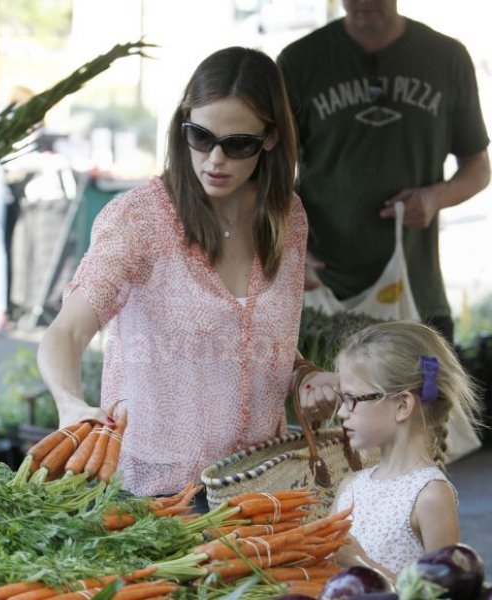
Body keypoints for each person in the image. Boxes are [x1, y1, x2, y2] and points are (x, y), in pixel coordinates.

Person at [36, 46, 336, 504]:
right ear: (183, 126)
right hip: (154, 494)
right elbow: (68, 330)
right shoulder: (140, 220)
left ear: (271, 139)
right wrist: (69, 402)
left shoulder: (287, 216)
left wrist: (303, 376)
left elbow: (254, 333)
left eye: (237, 144)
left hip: (260, 487)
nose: (215, 159)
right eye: (200, 136)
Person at [276, 0, 491, 343]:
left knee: (427, 395)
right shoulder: (299, 61)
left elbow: (478, 166)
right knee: (325, 395)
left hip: (416, 291)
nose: (362, 2)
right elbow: (269, 172)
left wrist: (434, 197)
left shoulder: (446, 57)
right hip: (323, 295)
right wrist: (286, 241)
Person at [329, 320, 483, 580]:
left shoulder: (430, 496)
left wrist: (361, 563)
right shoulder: (349, 487)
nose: (342, 412)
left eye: (351, 399)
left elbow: (442, 593)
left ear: (402, 405)